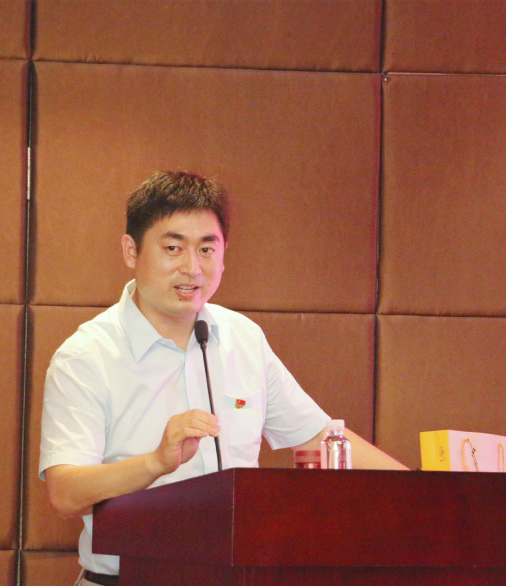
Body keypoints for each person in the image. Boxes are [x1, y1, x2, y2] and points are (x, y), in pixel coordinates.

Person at [39, 170, 405, 586]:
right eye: (173, 248)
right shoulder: (85, 357)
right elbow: (65, 493)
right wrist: (155, 463)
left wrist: (430, 495)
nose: (192, 268)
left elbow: (318, 438)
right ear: (131, 251)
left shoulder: (242, 338)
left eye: (207, 249)